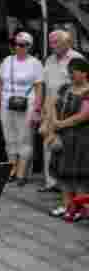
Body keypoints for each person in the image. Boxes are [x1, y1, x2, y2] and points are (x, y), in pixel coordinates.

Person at [0, 31, 44, 186]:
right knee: (9, 139)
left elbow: (39, 88)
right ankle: (12, 170)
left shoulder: (35, 63)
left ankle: (22, 173)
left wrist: (37, 109)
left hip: (27, 105)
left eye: (22, 44)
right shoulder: (7, 61)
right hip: (6, 104)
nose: (18, 47)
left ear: (29, 46)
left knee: (25, 139)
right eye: (15, 44)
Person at [46, 56, 89, 222]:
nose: (71, 75)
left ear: (84, 73)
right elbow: (52, 104)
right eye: (69, 72)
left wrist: (60, 124)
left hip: (81, 139)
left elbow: (84, 116)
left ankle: (80, 209)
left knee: (79, 177)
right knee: (63, 175)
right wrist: (54, 121)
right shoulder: (65, 88)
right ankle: (66, 206)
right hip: (64, 138)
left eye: (74, 72)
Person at [39, 30, 82, 195]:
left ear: (67, 42)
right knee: (48, 143)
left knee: (65, 146)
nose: (52, 45)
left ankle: (66, 183)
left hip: (67, 108)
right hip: (50, 107)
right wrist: (42, 107)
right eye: (51, 42)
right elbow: (45, 84)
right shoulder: (49, 60)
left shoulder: (76, 59)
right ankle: (51, 182)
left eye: (56, 42)